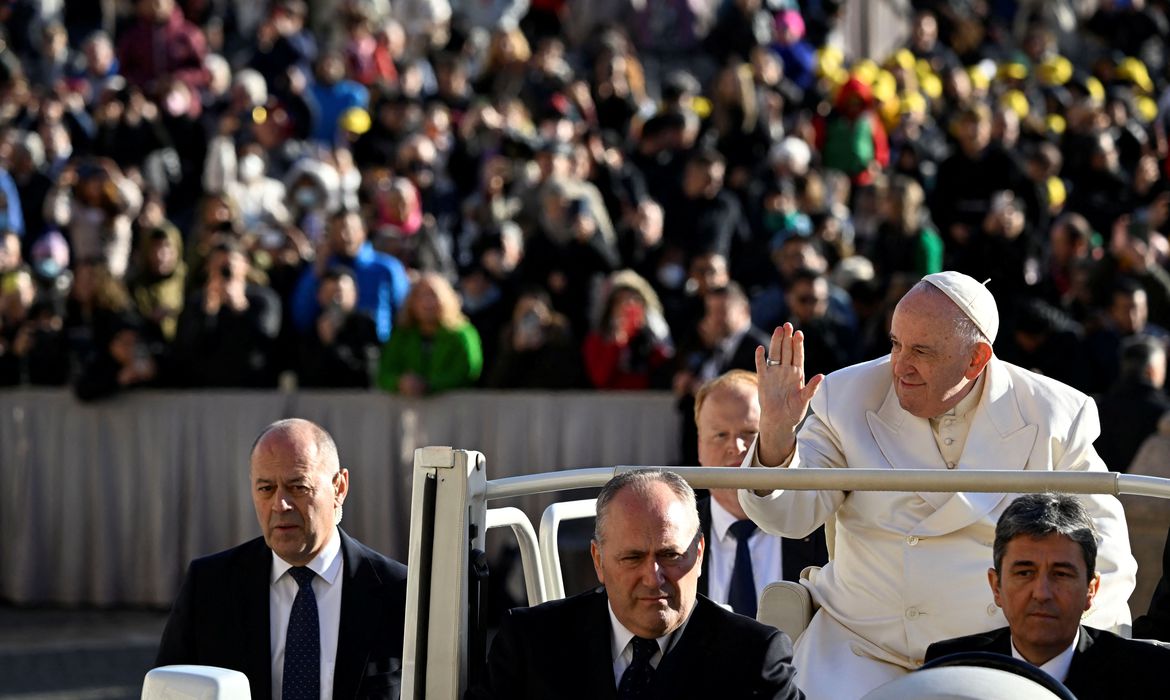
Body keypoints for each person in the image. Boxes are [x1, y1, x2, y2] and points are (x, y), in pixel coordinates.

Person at [738, 271, 1136, 699]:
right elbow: (788, 516)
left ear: (976, 359)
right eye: (895, 344)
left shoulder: (1053, 415)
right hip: (860, 650)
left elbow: (1106, 555)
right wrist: (777, 434)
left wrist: (1069, 657)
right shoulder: (846, 395)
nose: (899, 365)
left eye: (921, 351)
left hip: (997, 662)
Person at [468, 469, 804, 699]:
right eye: (632, 558)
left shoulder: (754, 657)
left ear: (699, 554)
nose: (653, 576)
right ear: (598, 560)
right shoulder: (531, 642)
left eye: (670, 555)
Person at [155, 418, 408, 700]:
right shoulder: (210, 586)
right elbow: (171, 689)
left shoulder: (400, 592)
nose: (280, 505)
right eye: (266, 489)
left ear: (339, 488)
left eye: (298, 487)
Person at [925, 493, 1169, 699]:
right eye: (1025, 573)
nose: (1042, 593)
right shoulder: (951, 668)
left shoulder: (1148, 673)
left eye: (1061, 574)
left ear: (1091, 590)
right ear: (996, 586)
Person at [694, 371, 827, 617]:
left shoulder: (821, 529)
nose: (736, 447)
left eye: (749, 433)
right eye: (720, 435)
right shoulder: (675, 535)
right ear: (699, 446)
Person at [376, 272, 483, 396]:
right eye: (421, 296)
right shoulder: (402, 335)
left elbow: (468, 372)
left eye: (433, 295)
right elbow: (384, 373)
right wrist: (400, 382)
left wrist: (429, 385)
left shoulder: (461, 334)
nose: (427, 302)